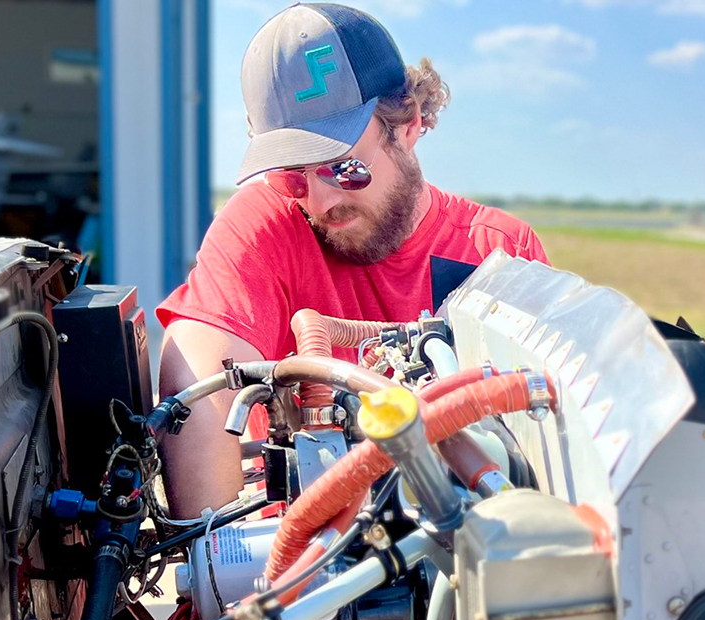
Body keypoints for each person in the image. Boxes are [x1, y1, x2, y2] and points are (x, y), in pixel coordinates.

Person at [155, 3, 547, 518]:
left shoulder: (497, 253)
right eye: (293, 176)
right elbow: (195, 382)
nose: (319, 202)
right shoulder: (265, 223)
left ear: (408, 124)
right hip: (304, 569)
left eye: (345, 169)